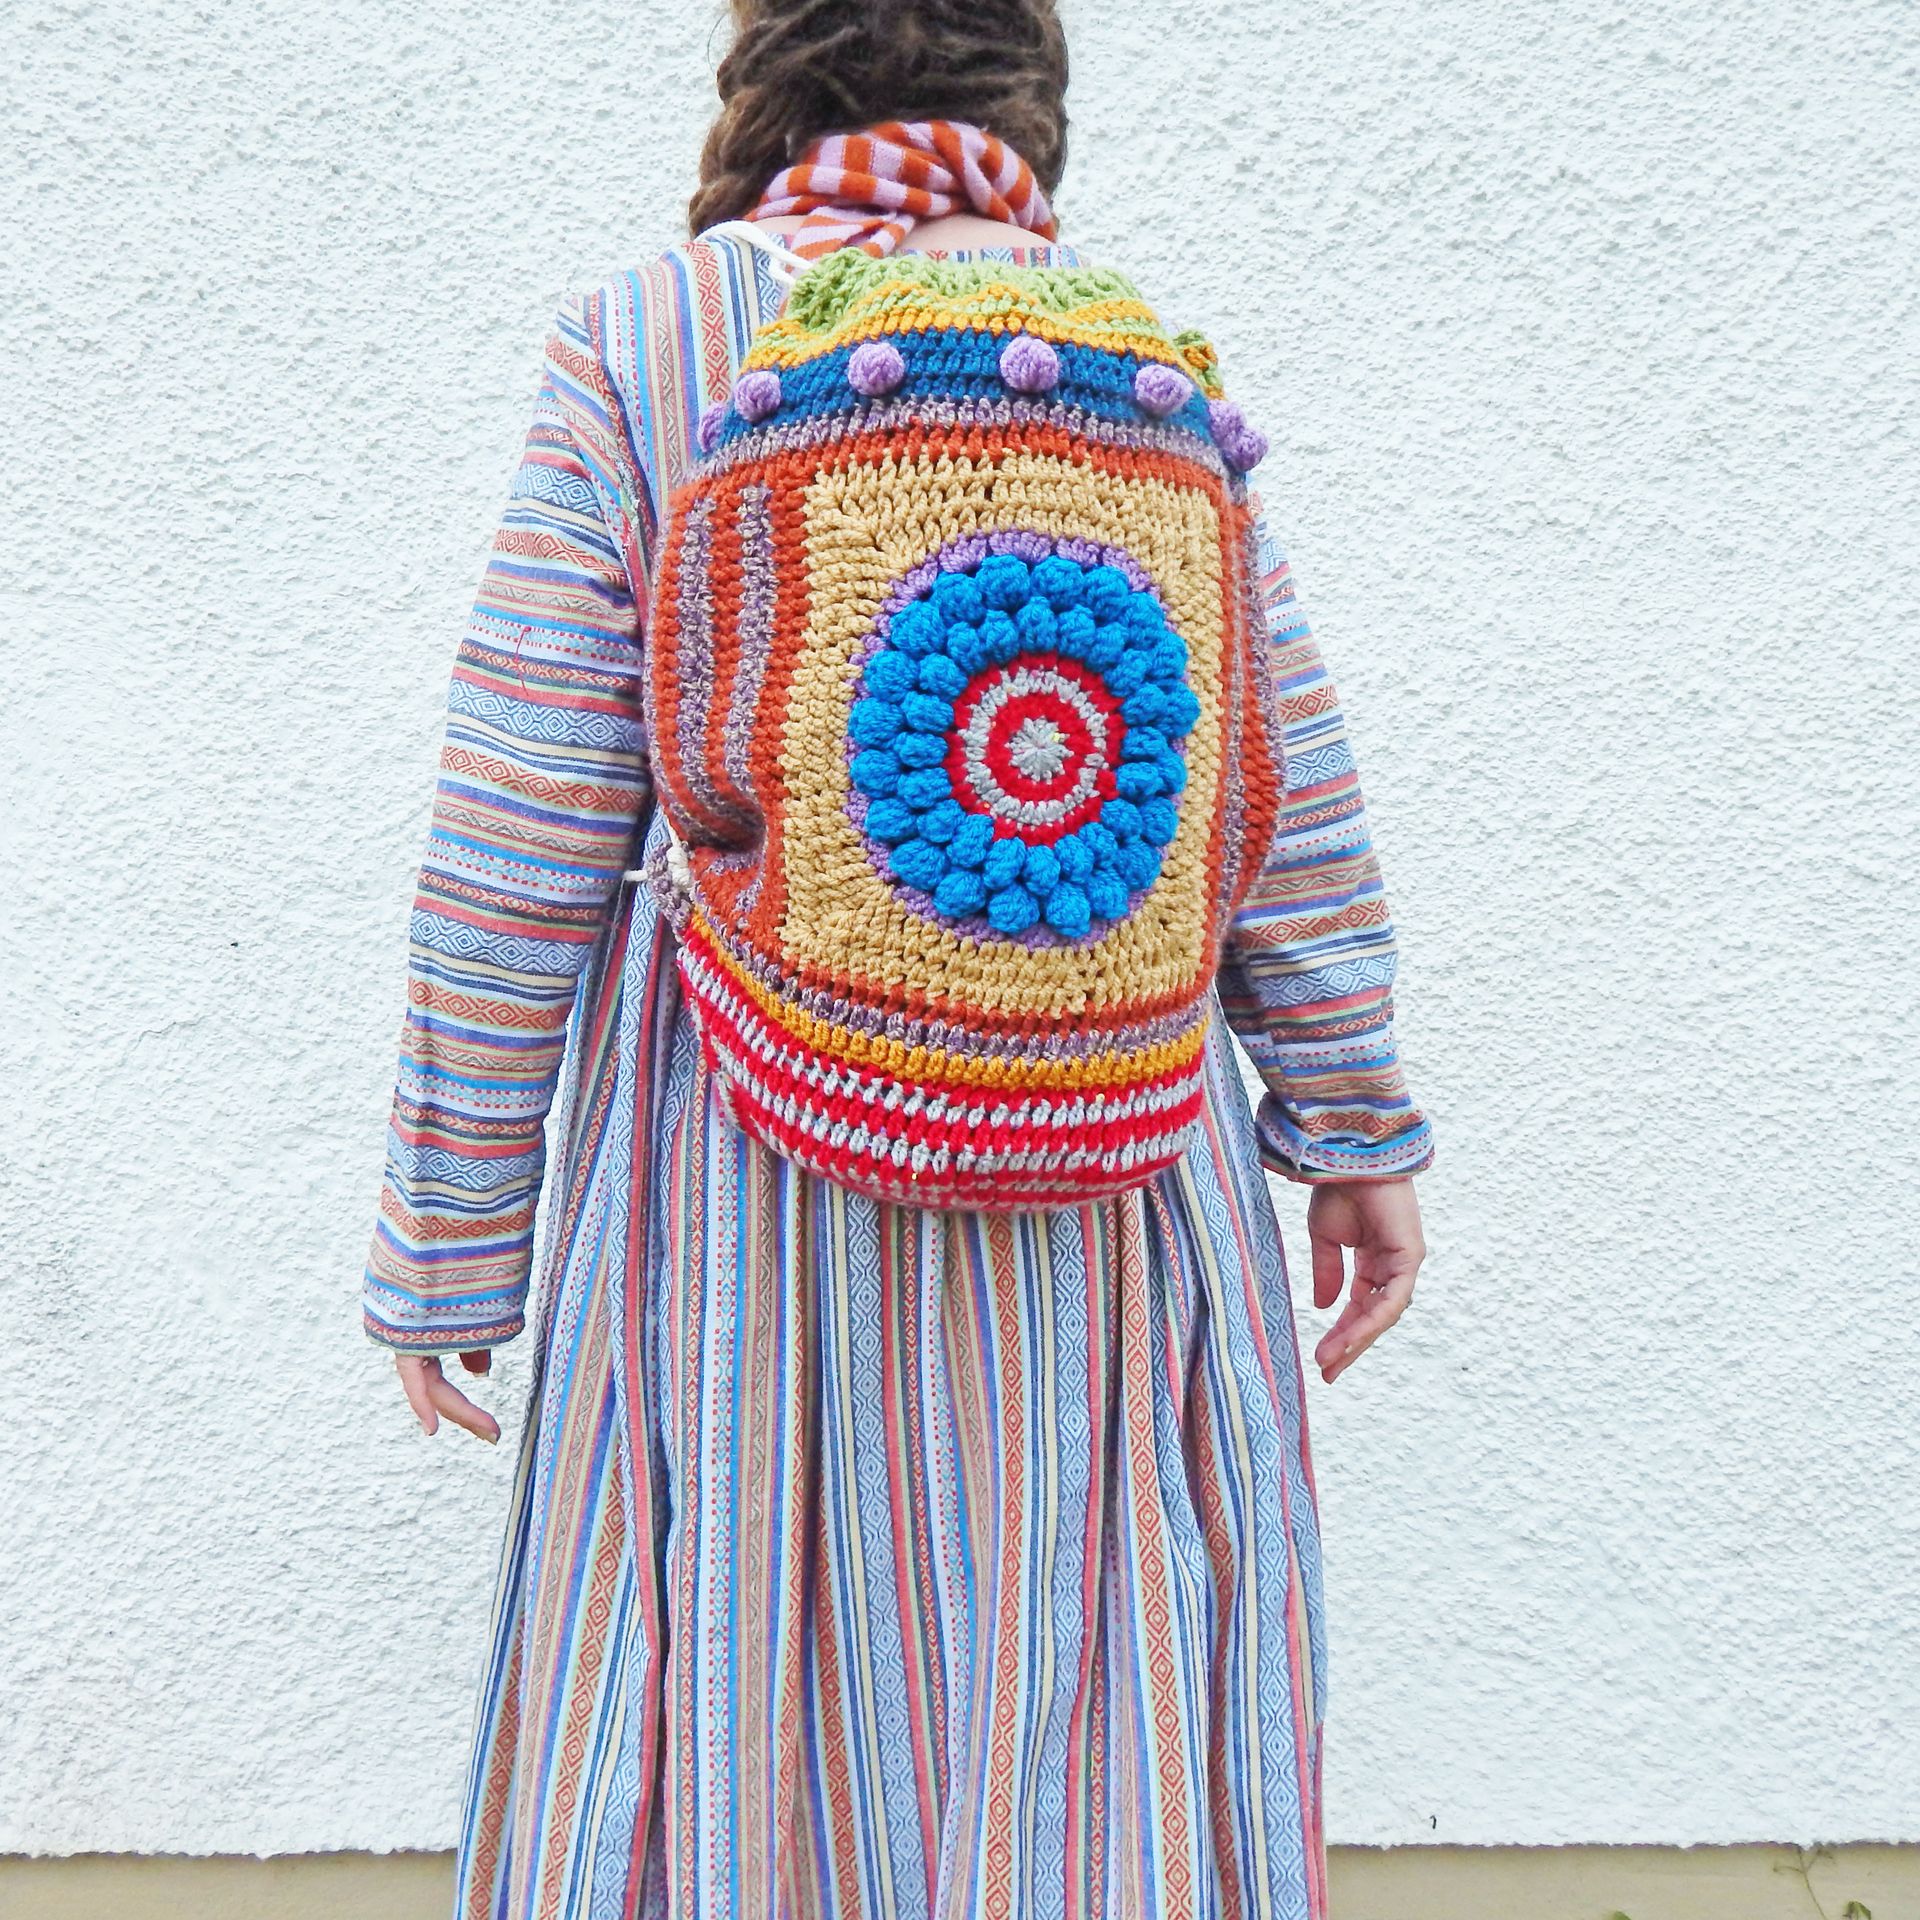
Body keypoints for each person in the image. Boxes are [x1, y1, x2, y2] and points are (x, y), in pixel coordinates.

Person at [363, 5, 1432, 1915]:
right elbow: (1273, 774)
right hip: (1113, 1187)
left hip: (744, 1184)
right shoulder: (1140, 356)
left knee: (734, 1668)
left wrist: (451, 1229)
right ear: (1020, 97)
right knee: (1087, 1683)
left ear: (777, 76)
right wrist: (1353, 1124)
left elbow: (521, 816)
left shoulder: (653, 340)